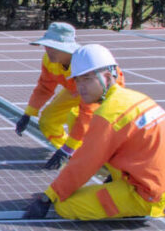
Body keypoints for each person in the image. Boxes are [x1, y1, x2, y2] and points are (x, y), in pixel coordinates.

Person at [23, 44, 165, 220]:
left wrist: (48, 197)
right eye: (78, 80)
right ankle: (121, 186)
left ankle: (134, 207)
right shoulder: (134, 97)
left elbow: (85, 163)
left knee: (65, 206)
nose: (81, 87)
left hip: (148, 192)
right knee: (77, 118)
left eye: (87, 79)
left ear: (108, 77)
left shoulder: (109, 115)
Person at [14, 22, 123, 169]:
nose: (48, 51)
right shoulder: (49, 61)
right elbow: (45, 87)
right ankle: (74, 154)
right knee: (48, 120)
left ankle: (109, 165)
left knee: (82, 122)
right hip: (74, 89)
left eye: (53, 48)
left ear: (67, 49)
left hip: (101, 92)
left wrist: (68, 148)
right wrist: (28, 113)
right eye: (46, 46)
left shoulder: (86, 66)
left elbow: (87, 113)